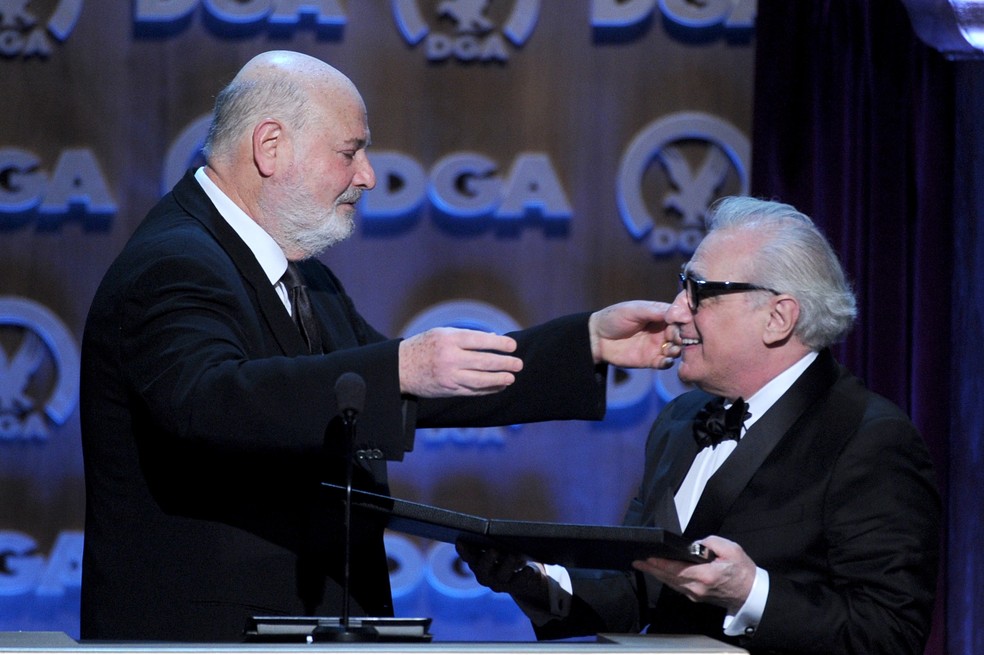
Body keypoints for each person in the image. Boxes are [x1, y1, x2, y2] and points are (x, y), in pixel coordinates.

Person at [78, 50, 680, 642]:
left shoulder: (302, 274)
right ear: (270, 147)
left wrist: (585, 345)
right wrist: (402, 367)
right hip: (210, 637)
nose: (367, 175)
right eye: (350, 152)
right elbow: (212, 402)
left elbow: (417, 383)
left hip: (305, 624)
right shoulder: (174, 263)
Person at [458, 197, 941, 655]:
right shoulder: (680, 419)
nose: (675, 311)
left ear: (778, 317)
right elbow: (639, 588)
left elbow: (890, 634)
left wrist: (750, 592)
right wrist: (535, 581)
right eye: (682, 285)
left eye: (700, 292)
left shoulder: (869, 438)